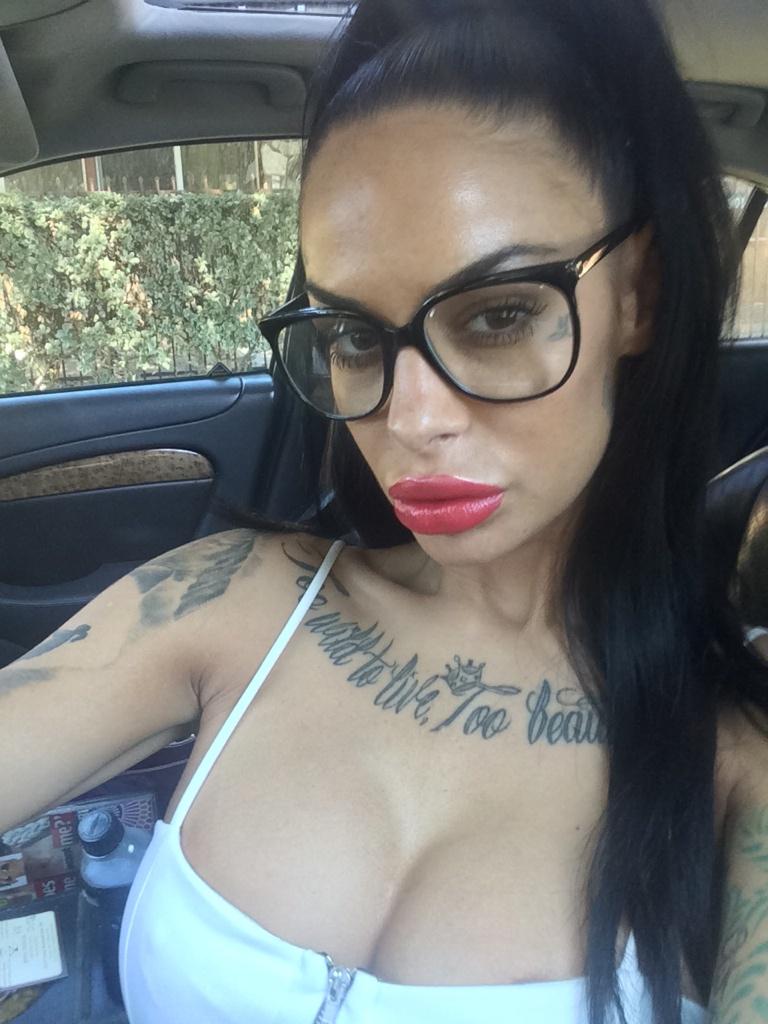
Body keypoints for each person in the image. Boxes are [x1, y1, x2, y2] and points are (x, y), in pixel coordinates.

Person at [2, 1, 767, 1022]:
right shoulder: (232, 601)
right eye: (356, 337)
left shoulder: (735, 767)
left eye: (499, 314)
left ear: (641, 295)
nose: (410, 418)